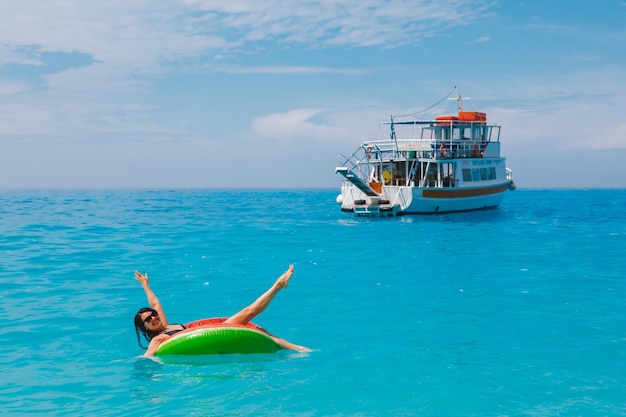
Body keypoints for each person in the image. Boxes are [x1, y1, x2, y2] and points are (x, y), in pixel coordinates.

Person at [133, 264, 311, 356]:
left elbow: (156, 305)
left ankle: (299, 348)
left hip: (209, 332)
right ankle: (278, 286)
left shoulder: (164, 325)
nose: (154, 318)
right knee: (248, 312)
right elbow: (149, 357)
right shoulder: (157, 338)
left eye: (153, 316)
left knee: (258, 328)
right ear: (145, 329)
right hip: (205, 337)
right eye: (148, 320)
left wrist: (145, 285)